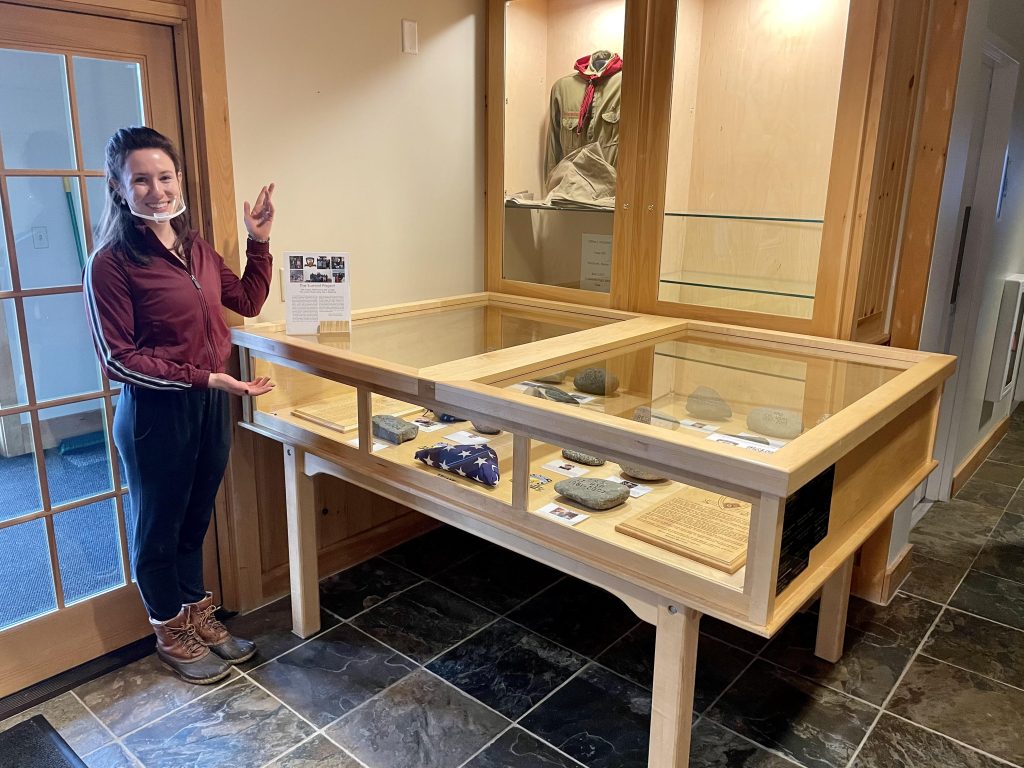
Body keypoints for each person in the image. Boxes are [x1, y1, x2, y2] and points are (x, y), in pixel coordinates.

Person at [83, 126, 275, 685]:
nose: (157, 190)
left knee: (195, 519)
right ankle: (169, 629)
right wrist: (205, 377)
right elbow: (118, 360)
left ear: (179, 180)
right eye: (141, 180)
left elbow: (248, 300)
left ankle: (197, 615)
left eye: (164, 177)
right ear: (119, 188)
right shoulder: (111, 263)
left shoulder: (196, 249)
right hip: (154, 415)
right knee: (157, 528)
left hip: (209, 405)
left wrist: (258, 241)